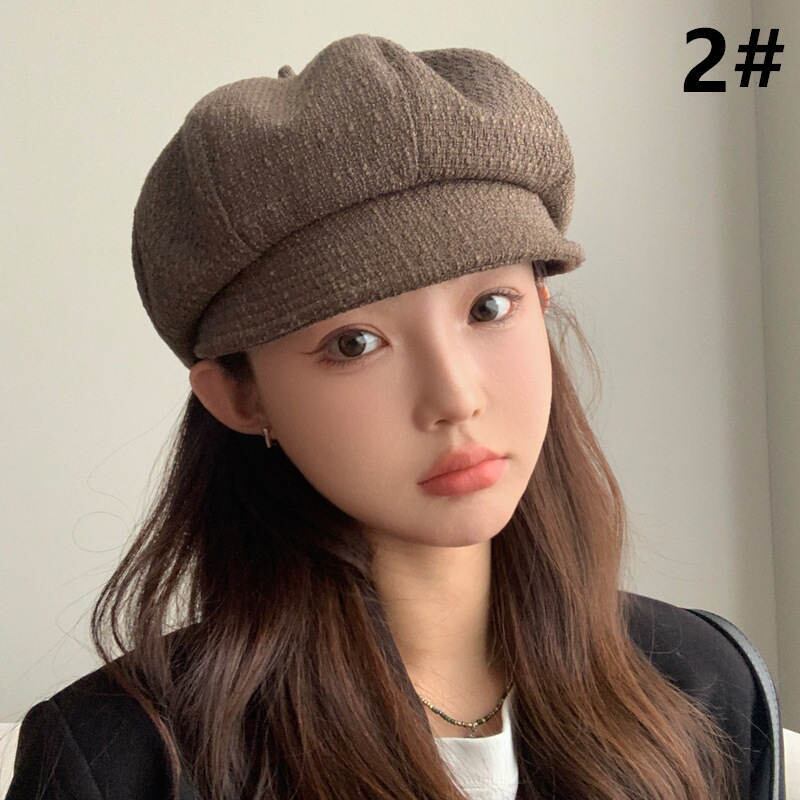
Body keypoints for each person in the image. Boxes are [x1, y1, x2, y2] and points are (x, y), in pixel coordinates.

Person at [7, 33, 779, 800]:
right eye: (355, 343)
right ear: (242, 398)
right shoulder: (122, 764)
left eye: (489, 307)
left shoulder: (706, 688)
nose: (455, 397)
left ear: (541, 305)